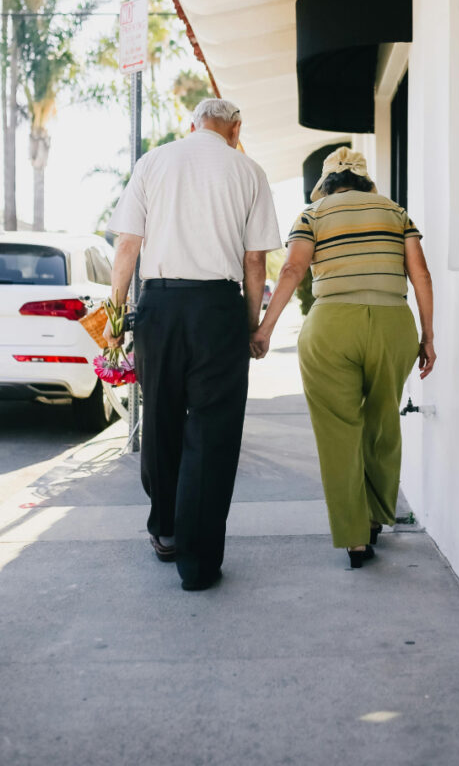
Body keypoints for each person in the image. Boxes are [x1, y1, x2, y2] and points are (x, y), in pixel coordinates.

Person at [105, 98, 282, 591]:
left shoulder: (153, 162)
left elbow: (126, 246)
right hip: (218, 309)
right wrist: (251, 325)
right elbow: (254, 261)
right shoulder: (249, 171)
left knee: (161, 419)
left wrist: (116, 317)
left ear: (192, 125)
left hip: (160, 307)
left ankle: (165, 531)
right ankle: (198, 564)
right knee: (212, 431)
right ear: (235, 128)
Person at [250, 147, 436, 568]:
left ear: (326, 183)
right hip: (392, 324)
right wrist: (428, 335)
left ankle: (354, 540)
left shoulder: (312, 214)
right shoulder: (396, 213)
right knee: (382, 421)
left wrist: (264, 330)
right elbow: (421, 274)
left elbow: (292, 270)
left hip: (331, 327)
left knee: (338, 432)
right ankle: (374, 516)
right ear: (365, 181)